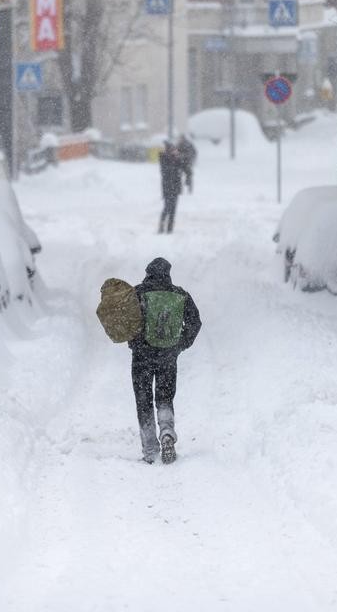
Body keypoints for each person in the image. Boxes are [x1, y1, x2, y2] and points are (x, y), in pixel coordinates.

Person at [129, 257, 201, 464]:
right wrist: (180, 345)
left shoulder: (137, 293)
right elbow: (195, 322)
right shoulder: (180, 294)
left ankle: (150, 449)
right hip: (168, 356)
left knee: (143, 400)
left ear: (148, 272)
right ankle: (167, 431)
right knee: (164, 397)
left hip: (141, 356)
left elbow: (122, 320)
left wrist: (134, 340)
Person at [158, 141, 183, 233]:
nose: (175, 151)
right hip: (167, 188)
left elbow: (182, 167)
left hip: (175, 188)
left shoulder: (176, 159)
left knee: (173, 209)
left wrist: (177, 158)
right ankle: (161, 226)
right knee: (167, 207)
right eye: (173, 149)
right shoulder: (163, 158)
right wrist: (174, 159)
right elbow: (168, 171)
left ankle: (170, 228)